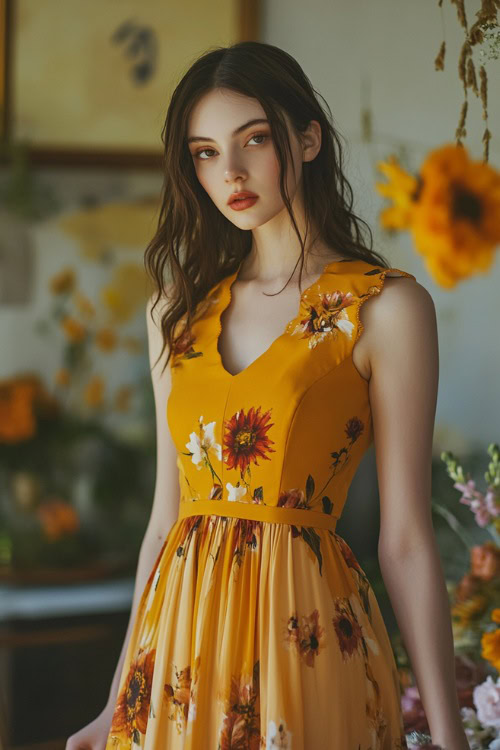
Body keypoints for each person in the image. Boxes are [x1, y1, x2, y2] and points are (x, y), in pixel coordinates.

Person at [66, 41, 469, 750]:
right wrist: (114, 704)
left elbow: (405, 539)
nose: (231, 172)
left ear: (307, 138)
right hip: (178, 657)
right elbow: (165, 524)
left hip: (306, 641)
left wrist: (447, 736)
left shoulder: (385, 309)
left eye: (253, 139)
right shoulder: (175, 312)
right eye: (204, 152)